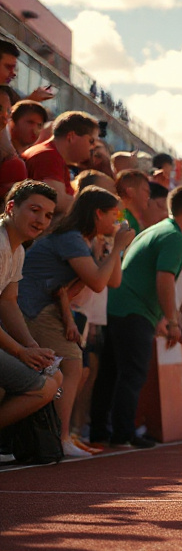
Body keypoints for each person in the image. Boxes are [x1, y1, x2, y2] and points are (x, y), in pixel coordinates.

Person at [88, 185, 182, 448]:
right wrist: (172, 320)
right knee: (132, 375)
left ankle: (100, 432)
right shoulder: (174, 237)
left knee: (110, 373)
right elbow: (164, 280)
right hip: (134, 312)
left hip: (119, 307)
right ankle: (122, 434)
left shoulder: (159, 229)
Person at [19, 186, 134, 457]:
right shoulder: (70, 238)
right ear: (97, 214)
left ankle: (62, 436)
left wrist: (115, 249)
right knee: (72, 367)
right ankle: (60, 439)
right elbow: (96, 282)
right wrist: (118, 245)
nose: (116, 221)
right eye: (113, 215)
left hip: (45, 306)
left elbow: (112, 281)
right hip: (32, 307)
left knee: (73, 368)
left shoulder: (81, 239)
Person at [0, 181, 61, 431]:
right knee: (43, 387)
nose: (41, 220)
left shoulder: (18, 250)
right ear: (12, 207)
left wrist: (31, 346)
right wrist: (20, 352)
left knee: (53, 374)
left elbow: (8, 301)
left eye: (48, 215)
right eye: (34, 210)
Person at [23, 110, 99, 216]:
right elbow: (56, 200)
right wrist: (94, 208)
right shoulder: (48, 156)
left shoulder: (53, 156)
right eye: (91, 141)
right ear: (71, 136)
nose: (93, 147)